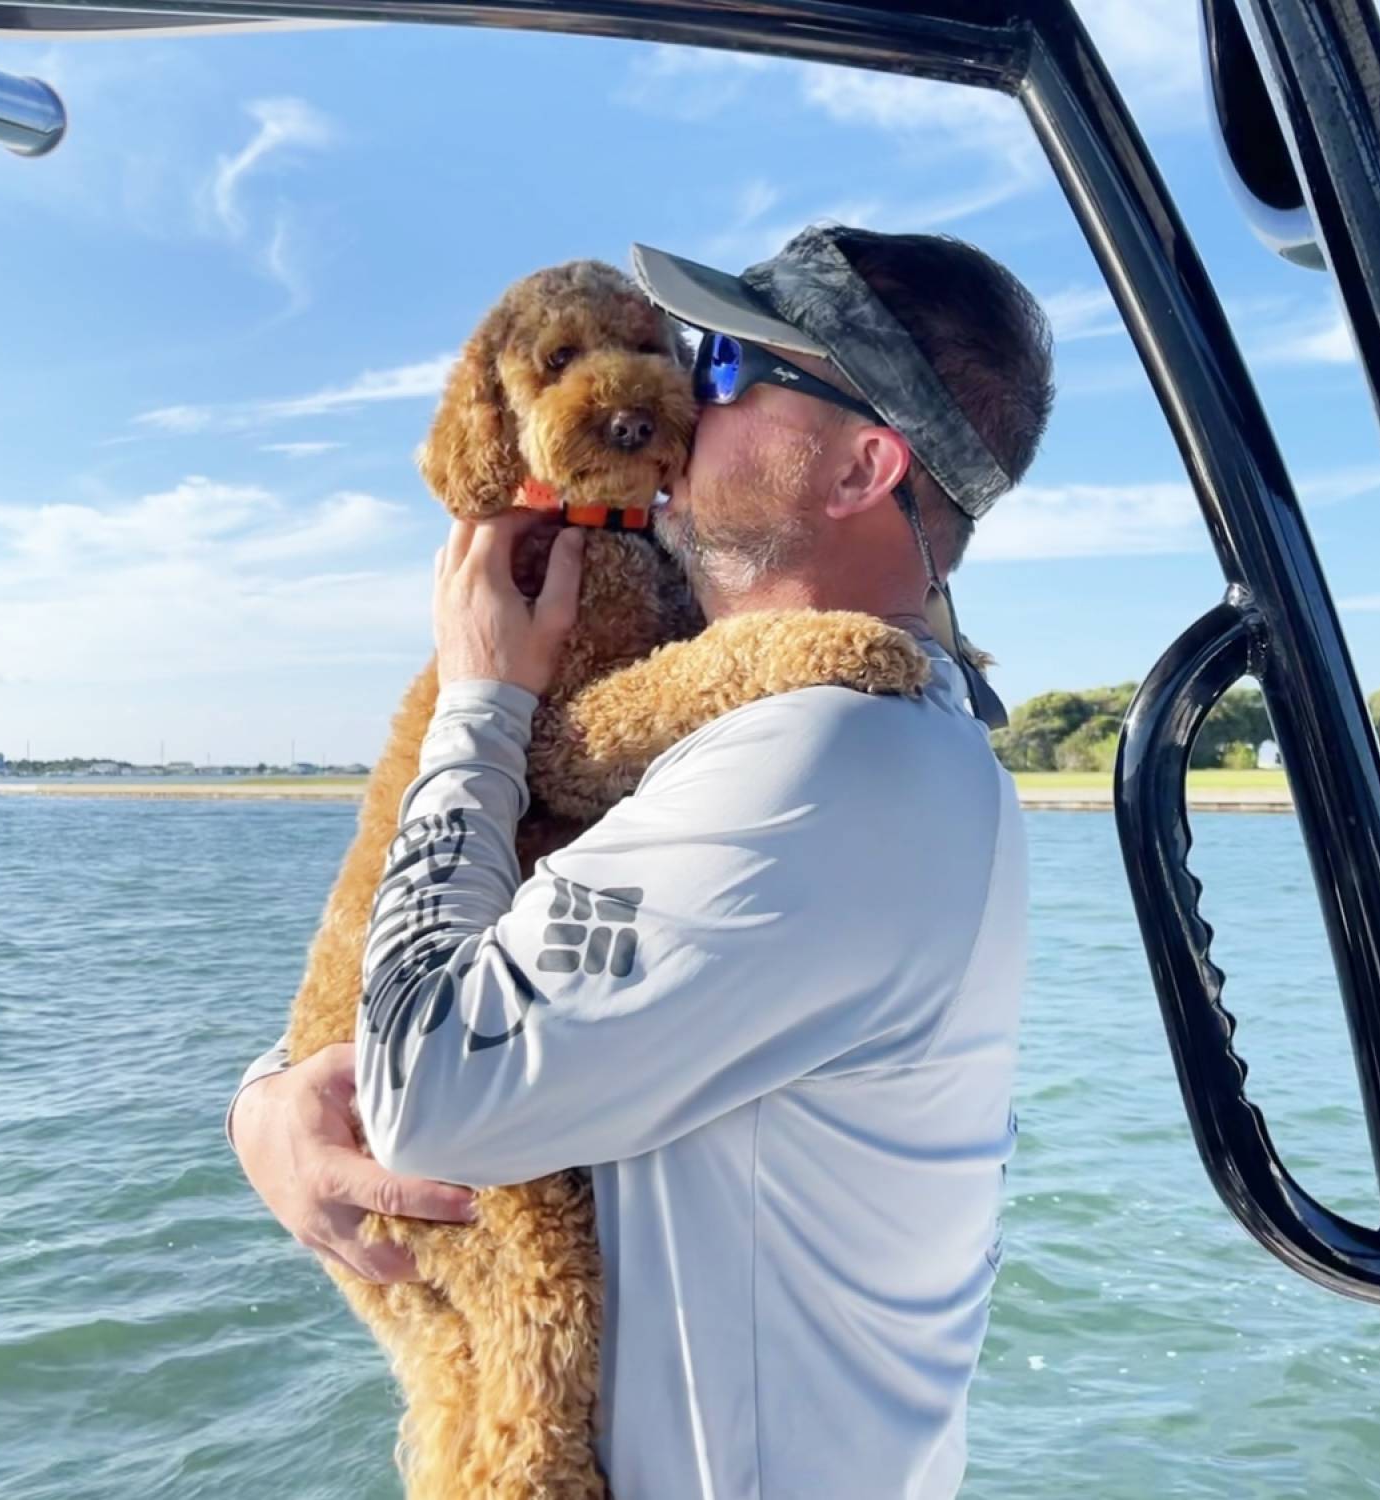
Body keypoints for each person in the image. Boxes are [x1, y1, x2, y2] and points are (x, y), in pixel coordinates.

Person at [229, 223, 1054, 1498]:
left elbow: (429, 1094)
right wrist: (273, 1102)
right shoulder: (846, 741)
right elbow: (466, 990)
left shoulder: (834, 759)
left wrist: (480, 703)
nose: (675, 397)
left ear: (862, 466)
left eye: (721, 369)